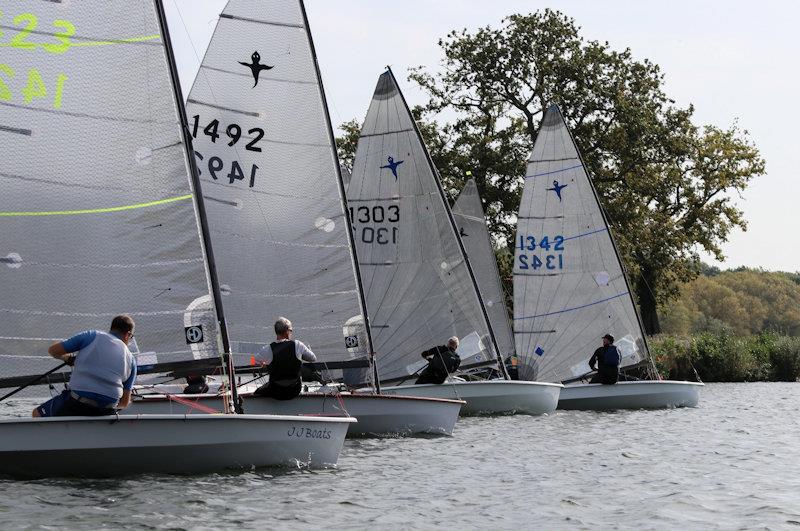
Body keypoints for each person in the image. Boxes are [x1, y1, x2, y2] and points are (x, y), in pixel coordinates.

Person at [33, 315, 137, 417]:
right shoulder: (132, 360)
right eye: (131, 337)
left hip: (77, 403)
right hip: (108, 410)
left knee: (36, 413)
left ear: (112, 328)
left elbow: (53, 351)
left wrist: (68, 359)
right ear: (128, 334)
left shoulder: (92, 335)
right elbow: (124, 403)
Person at [253, 317, 317, 400]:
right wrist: (299, 356)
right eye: (291, 330)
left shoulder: (268, 349)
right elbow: (313, 358)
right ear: (287, 331)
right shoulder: (298, 345)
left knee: (257, 392)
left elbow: (253, 361)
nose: (291, 332)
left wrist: (263, 364)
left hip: (276, 391)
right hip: (294, 390)